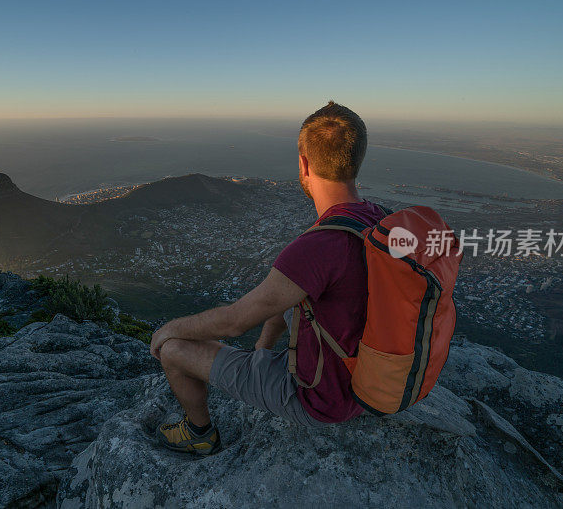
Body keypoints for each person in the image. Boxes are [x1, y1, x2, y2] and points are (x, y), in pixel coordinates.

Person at [150, 101, 387, 455]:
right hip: (372, 381)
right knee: (284, 294)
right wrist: (261, 352)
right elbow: (284, 301)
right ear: (356, 160)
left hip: (321, 400)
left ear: (305, 164)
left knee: (172, 350)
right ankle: (261, 359)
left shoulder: (319, 245)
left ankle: (199, 432)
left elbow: (233, 323)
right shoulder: (382, 221)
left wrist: (167, 330)